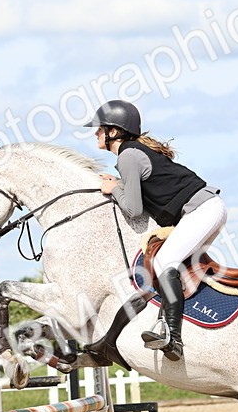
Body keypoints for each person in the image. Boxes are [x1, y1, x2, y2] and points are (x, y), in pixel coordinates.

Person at [87, 99, 227, 362]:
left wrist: (112, 189)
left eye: (99, 129)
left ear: (114, 132)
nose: (95, 133)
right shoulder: (134, 152)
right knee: (168, 270)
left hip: (202, 210)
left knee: (165, 262)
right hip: (206, 209)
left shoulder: (127, 155)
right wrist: (119, 184)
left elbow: (134, 209)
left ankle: (173, 338)